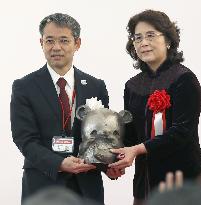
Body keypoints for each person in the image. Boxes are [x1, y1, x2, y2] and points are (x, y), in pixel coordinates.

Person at [10, 13, 122, 204]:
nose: (56, 47)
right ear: (41, 43)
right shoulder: (24, 86)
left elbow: (101, 137)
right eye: (49, 40)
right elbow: (24, 139)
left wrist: (108, 165)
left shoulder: (96, 86)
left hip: (87, 187)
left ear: (77, 43)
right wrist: (59, 163)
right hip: (43, 185)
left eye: (64, 40)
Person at [109, 9, 201, 204]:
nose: (143, 42)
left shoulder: (184, 78)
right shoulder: (132, 85)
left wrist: (136, 150)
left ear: (168, 40)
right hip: (145, 181)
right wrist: (113, 161)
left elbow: (182, 132)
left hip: (182, 179)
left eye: (150, 35)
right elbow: (130, 134)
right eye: (137, 38)